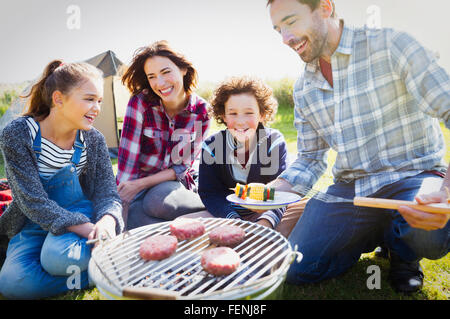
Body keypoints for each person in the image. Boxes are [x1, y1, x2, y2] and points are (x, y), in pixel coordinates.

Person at [266, 0, 449, 293]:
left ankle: (403, 252)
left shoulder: (392, 44)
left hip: (414, 177)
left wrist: (446, 190)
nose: (285, 38)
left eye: (291, 22)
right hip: (352, 190)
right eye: (278, 30)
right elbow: (310, 158)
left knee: (430, 232)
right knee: (299, 267)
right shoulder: (304, 88)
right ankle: (379, 231)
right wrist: (268, 191)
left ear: (325, 8)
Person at [0, 60, 124, 299]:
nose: (97, 108)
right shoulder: (18, 134)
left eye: (99, 101)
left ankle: (110, 255)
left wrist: (107, 222)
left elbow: (107, 193)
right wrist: (88, 230)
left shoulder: (93, 140)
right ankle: (106, 271)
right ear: (58, 99)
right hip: (33, 220)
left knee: (57, 258)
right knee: (12, 282)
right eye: (89, 99)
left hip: (80, 213)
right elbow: (32, 201)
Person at [186, 76, 307, 237]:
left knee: (305, 208)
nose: (240, 121)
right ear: (223, 115)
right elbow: (210, 192)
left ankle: (263, 238)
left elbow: (281, 194)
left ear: (262, 114)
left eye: (248, 113)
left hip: (269, 212)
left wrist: (265, 223)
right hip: (229, 213)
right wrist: (233, 220)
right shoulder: (211, 146)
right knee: (182, 222)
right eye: (233, 113)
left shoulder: (273, 142)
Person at [117, 40, 210, 230]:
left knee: (157, 200)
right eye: (152, 76)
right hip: (137, 188)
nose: (159, 83)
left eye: (166, 72)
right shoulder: (140, 103)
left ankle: (216, 212)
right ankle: (189, 229)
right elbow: (128, 163)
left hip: (171, 186)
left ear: (183, 69)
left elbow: (181, 168)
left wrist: (141, 184)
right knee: (134, 218)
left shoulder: (201, 112)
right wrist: (123, 211)